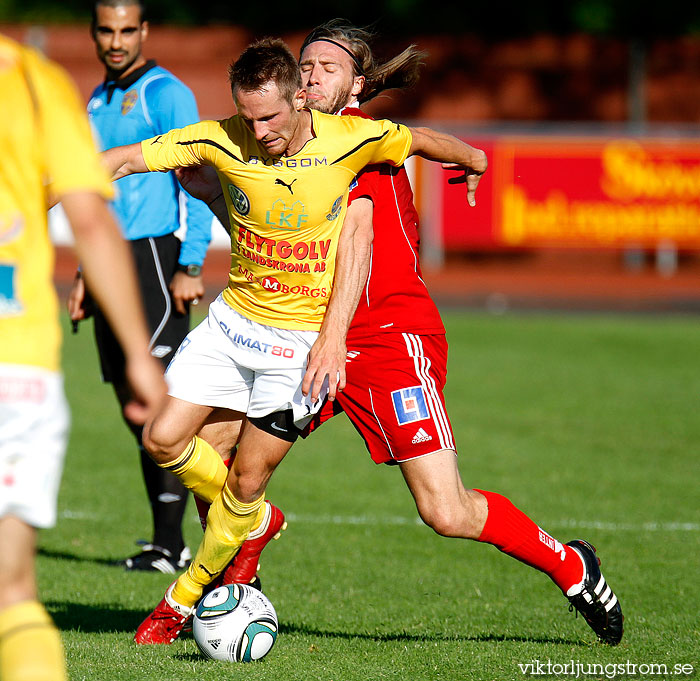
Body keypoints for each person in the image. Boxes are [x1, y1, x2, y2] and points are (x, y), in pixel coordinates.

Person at [181, 20, 624, 647]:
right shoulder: (287, 149)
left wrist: (471, 155)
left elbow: (362, 235)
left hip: (389, 339)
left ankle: (573, 566)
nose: (311, 75)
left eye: (328, 67)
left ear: (358, 85)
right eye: (304, 66)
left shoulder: (363, 143)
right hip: (309, 336)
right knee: (214, 450)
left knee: (446, 511)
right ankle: (237, 576)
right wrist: (214, 199)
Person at [99, 36, 487, 645]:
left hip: (295, 343)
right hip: (232, 325)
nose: (259, 131)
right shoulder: (224, 135)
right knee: (160, 438)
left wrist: (473, 157)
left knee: (244, 483)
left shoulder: (350, 141)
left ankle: (181, 599)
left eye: (270, 117)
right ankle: (253, 525)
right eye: (247, 118)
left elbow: (418, 140)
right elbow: (120, 160)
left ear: (299, 100)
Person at [0, 34, 166, 681]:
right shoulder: (38, 82)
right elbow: (92, 223)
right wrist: (141, 357)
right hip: (18, 367)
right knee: (13, 593)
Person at [67, 0, 213, 574]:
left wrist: (192, 263)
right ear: (95, 34)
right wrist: (83, 271)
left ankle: (201, 535)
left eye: (128, 29)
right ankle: (165, 544)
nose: (117, 40)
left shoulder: (166, 93)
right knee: (133, 410)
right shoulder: (96, 99)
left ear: (145, 30)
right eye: (107, 29)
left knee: (160, 406)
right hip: (107, 264)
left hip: (155, 259)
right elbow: (88, 192)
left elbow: (200, 174)